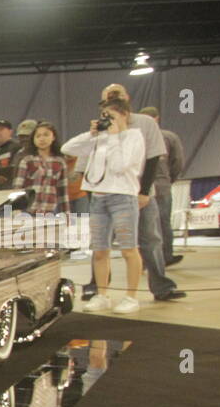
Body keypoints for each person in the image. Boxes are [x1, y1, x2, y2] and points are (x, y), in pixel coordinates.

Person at [78, 84, 184, 302]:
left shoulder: (144, 123)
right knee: (100, 246)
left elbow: (154, 157)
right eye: (108, 97)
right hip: (104, 197)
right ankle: (97, 288)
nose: (113, 100)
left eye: (117, 96)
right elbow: (84, 165)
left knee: (150, 240)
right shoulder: (99, 127)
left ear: (127, 100)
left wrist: (144, 192)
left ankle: (160, 285)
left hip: (138, 193)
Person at [61, 97, 145, 314]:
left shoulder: (134, 136)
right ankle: (102, 294)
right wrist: (92, 134)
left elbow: (120, 166)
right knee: (99, 251)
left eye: (111, 116)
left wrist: (116, 136)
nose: (107, 120)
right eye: (104, 116)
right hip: (98, 198)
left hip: (122, 197)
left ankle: (131, 297)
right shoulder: (100, 138)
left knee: (128, 249)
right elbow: (67, 147)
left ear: (125, 115)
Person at [140, 106, 186, 265]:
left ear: (156, 119)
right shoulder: (166, 137)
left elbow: (177, 162)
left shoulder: (167, 137)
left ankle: (157, 258)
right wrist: (169, 179)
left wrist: (168, 179)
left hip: (156, 186)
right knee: (156, 223)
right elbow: (177, 162)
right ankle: (162, 257)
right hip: (154, 187)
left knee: (153, 224)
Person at [12, 120, 69, 215]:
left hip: (50, 211)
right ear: (33, 139)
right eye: (38, 136)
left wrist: (66, 213)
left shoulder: (60, 162)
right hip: (27, 211)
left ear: (53, 137)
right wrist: (15, 210)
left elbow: (63, 191)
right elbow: (17, 188)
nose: (42, 139)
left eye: (46, 135)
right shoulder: (27, 161)